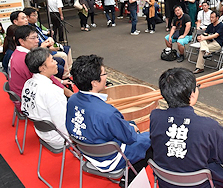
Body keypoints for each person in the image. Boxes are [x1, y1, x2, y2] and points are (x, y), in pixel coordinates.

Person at [150, 67, 223, 188]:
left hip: (165, 181)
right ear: (192, 95)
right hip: (199, 184)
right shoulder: (209, 126)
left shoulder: (155, 116)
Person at [66, 55, 151, 185]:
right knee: (151, 138)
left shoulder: (72, 100)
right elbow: (130, 138)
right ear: (94, 82)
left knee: (130, 125)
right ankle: (130, 179)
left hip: (87, 152)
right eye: (104, 73)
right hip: (109, 159)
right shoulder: (107, 112)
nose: (106, 76)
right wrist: (132, 129)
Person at [8, 25, 72, 111]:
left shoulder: (18, 53)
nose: (37, 40)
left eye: (37, 37)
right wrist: (69, 94)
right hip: (29, 103)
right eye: (33, 38)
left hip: (24, 96)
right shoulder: (25, 59)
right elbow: (46, 78)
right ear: (22, 41)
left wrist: (61, 82)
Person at [21, 47, 69, 149]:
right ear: (42, 68)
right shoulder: (51, 91)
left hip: (41, 132)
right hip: (59, 137)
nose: (56, 62)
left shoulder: (28, 83)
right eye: (52, 60)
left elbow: (24, 109)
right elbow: (63, 124)